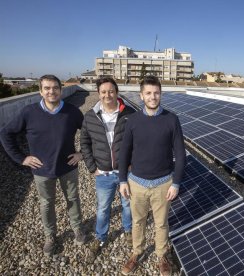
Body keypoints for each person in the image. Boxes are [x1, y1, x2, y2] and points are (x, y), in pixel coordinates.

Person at [0, 74, 85, 256]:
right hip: (42, 170)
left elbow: (90, 134)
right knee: (47, 203)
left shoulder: (72, 112)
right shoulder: (28, 112)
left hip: (68, 167)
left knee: (73, 199)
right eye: (46, 88)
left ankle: (77, 228)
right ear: (40, 91)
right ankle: (50, 236)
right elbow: (6, 134)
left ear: (61, 90)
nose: (51, 91)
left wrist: (82, 154)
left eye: (55, 88)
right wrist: (22, 158)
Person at [118, 76, 186, 276]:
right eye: (148, 93)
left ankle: (161, 255)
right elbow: (124, 152)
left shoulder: (171, 120)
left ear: (161, 94)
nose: (152, 96)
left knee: (161, 223)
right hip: (136, 183)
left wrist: (177, 183)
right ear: (141, 95)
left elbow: (180, 155)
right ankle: (136, 252)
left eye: (156, 92)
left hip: (163, 184)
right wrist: (123, 180)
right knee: (138, 222)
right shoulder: (133, 121)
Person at [80, 77, 135, 262]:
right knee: (103, 208)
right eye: (103, 92)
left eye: (111, 91)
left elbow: (138, 141)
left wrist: (132, 163)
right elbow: (85, 143)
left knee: (127, 205)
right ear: (98, 93)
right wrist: (91, 167)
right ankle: (101, 238)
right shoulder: (90, 116)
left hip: (125, 173)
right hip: (102, 173)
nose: (107, 95)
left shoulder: (129, 114)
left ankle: (128, 231)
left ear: (117, 92)